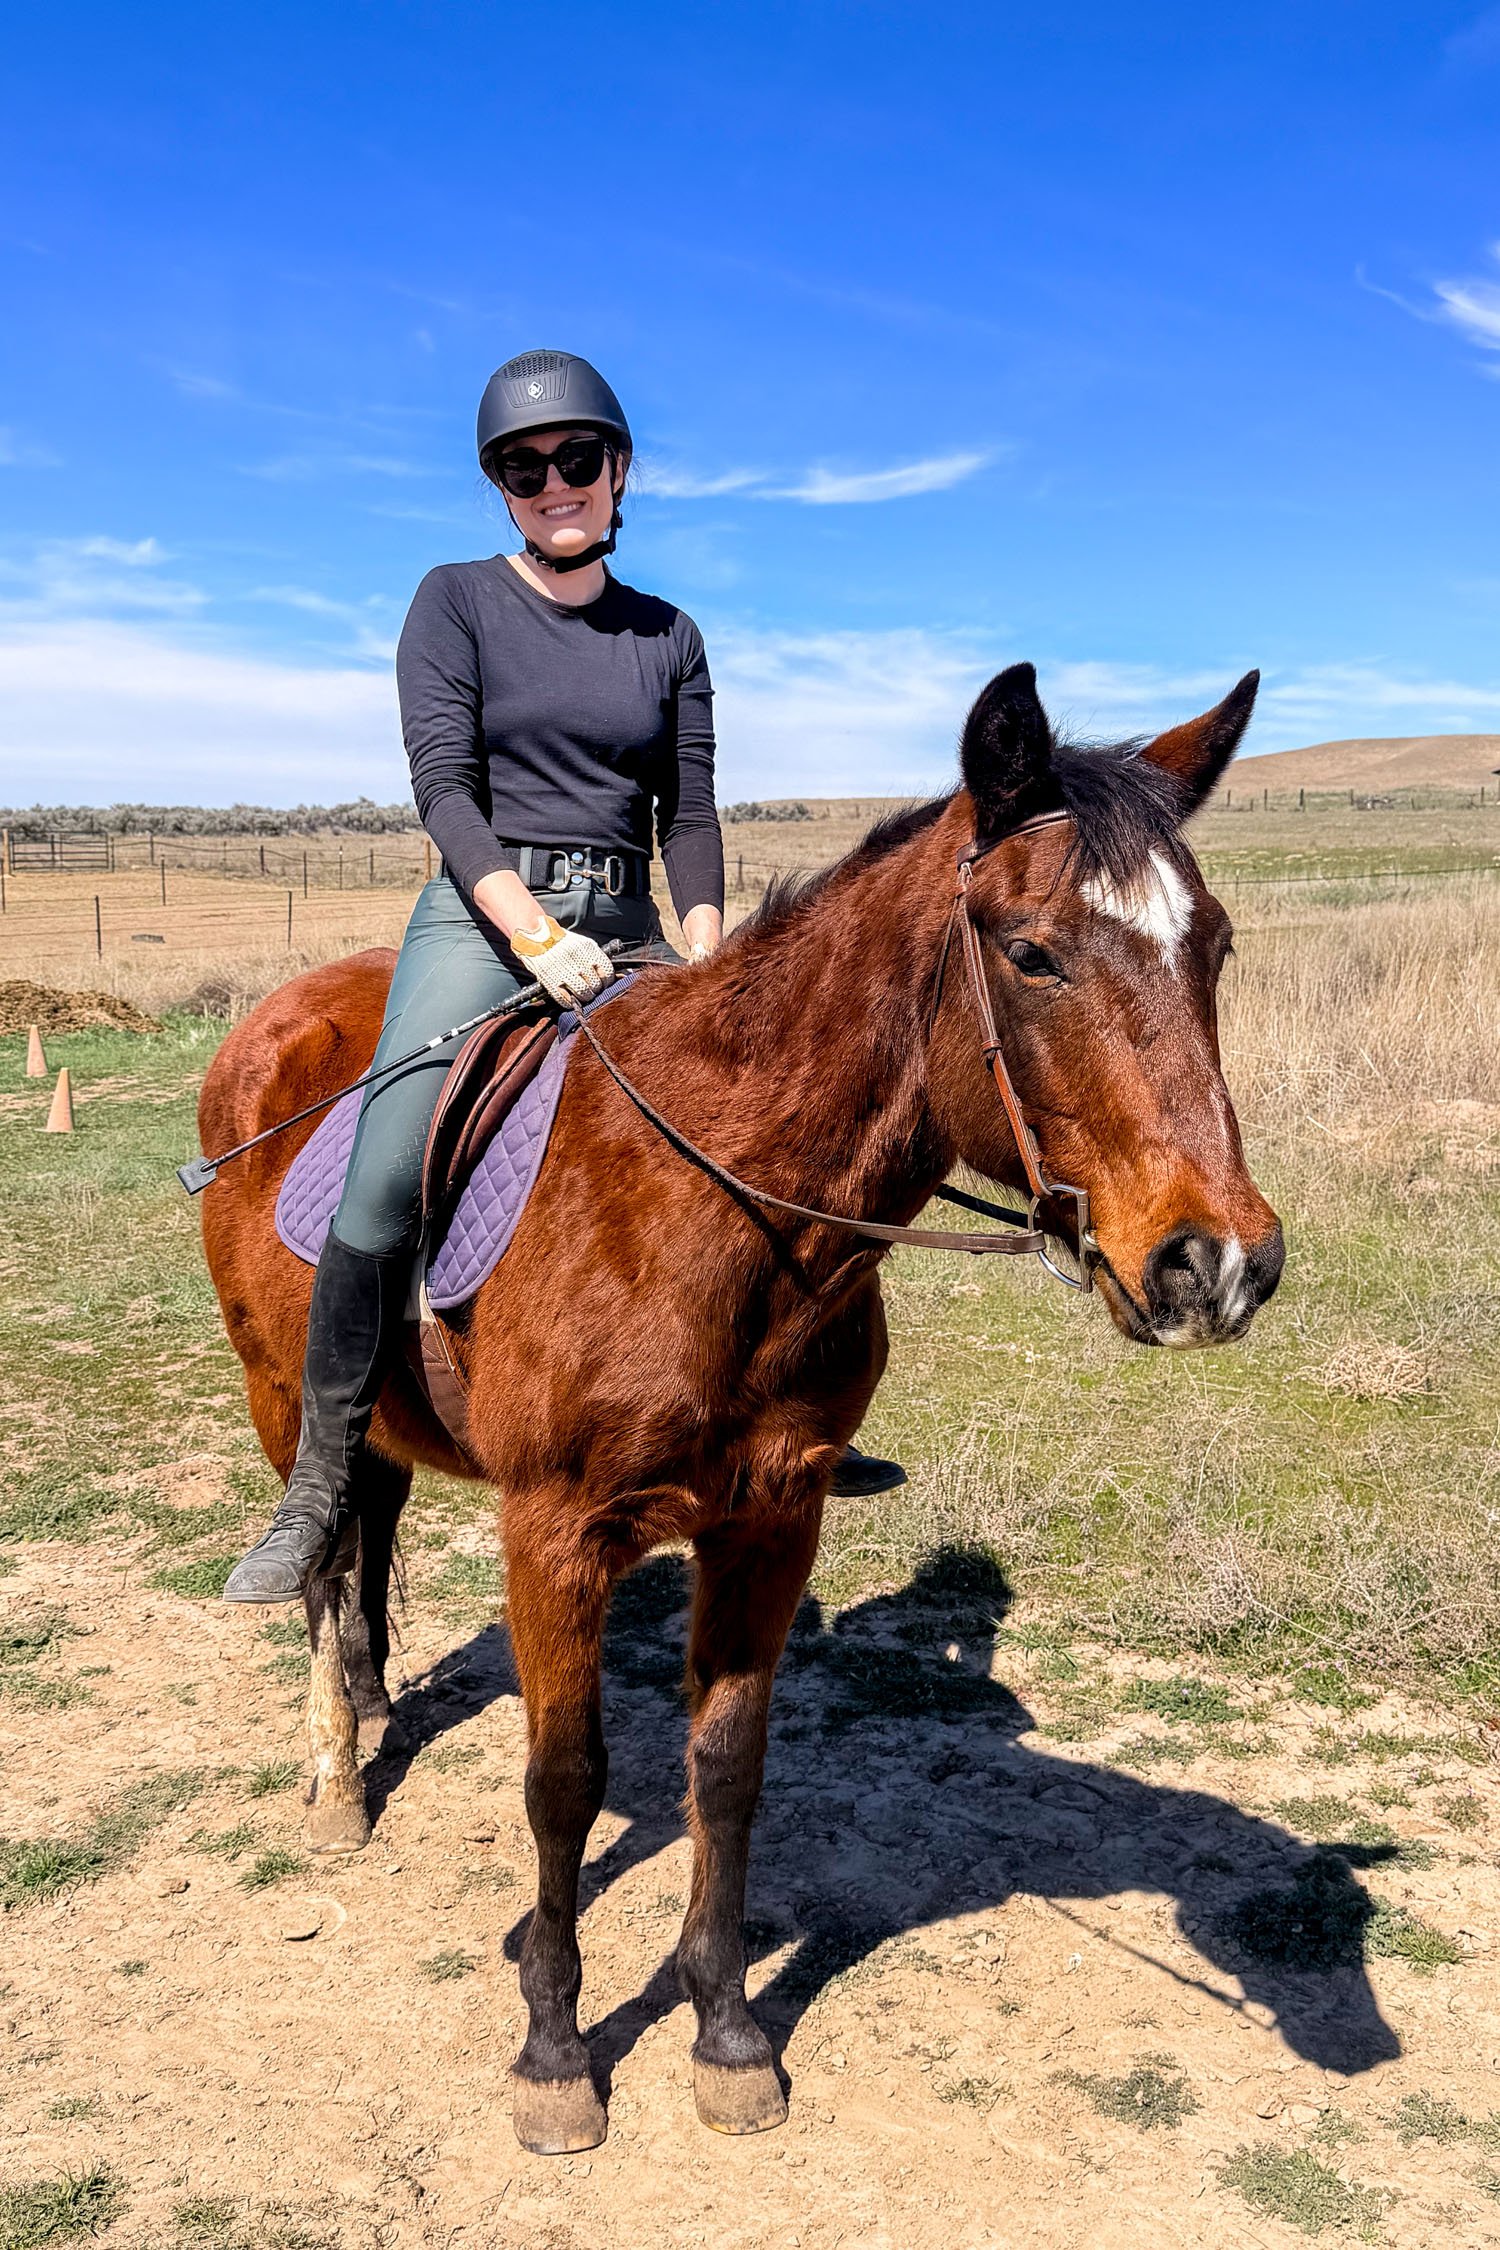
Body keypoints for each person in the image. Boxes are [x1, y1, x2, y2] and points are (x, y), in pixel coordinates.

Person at [224, 351, 903, 1603]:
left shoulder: (669, 635)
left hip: (636, 925)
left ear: (621, 470)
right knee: (380, 1175)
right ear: (502, 492)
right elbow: (446, 792)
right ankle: (325, 1481)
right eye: (522, 470)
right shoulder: (455, 603)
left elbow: (687, 814)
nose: (553, 485)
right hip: (483, 921)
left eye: (576, 460)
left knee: (780, 1139)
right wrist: (530, 933)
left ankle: (781, 1415)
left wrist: (704, 953)